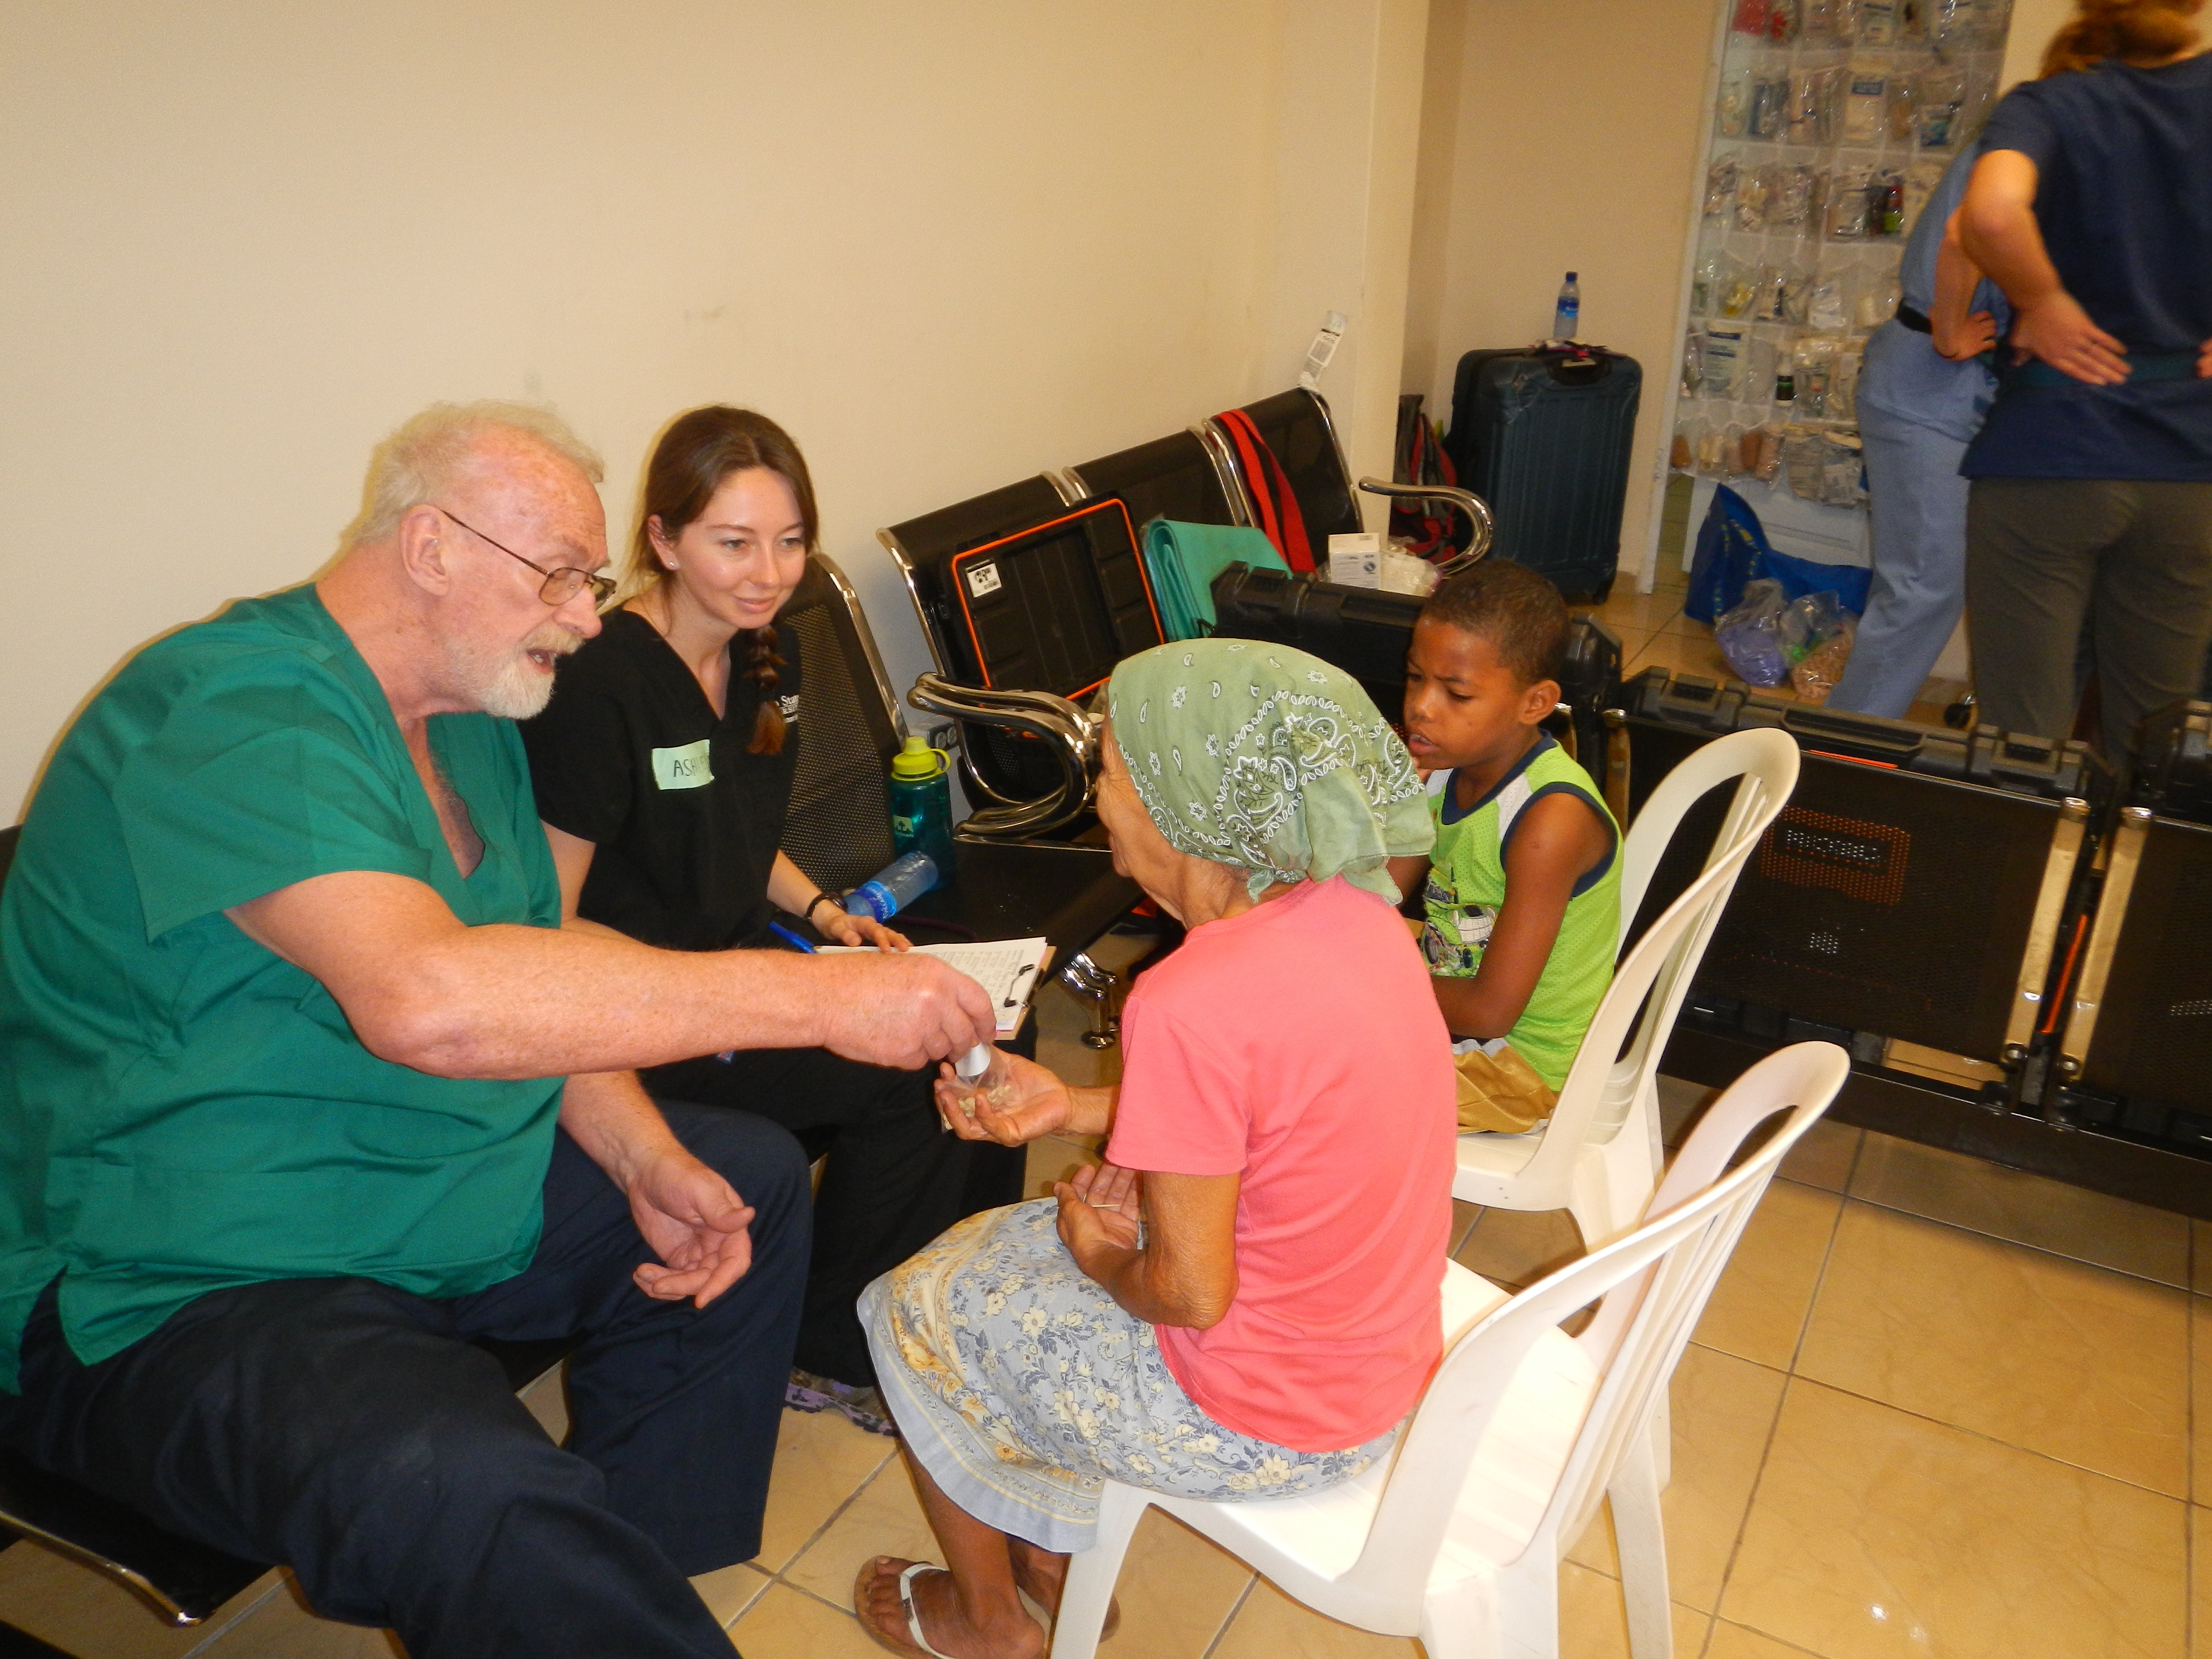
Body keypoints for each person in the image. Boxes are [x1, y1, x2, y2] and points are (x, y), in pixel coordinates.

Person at [0, 402, 998, 1659]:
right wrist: (814, 996)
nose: (588, 616)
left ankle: (627, 1582)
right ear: (431, 547)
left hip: (424, 1187)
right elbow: (430, 998)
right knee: (467, 1490)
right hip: (190, 1270)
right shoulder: (232, 714)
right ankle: (570, 1596)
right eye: (563, 578)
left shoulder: (471, 723)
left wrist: (643, 1158)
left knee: (740, 1182)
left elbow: (541, 962)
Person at [849, 639, 1454, 1659]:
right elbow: (1275, 1108)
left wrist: (1098, 1249)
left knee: (910, 1304)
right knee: (1017, 1251)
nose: (1101, 797)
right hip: (1382, 1365)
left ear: (1187, 808)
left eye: (1118, 773)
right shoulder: (1359, 917)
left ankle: (990, 1622)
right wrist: (1069, 1110)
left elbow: (1187, 1294)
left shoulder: (1186, 1000)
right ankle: (1056, 1559)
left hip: (1266, 1420)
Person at [521, 404, 1016, 1433]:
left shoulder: (766, 655)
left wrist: (829, 916)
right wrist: (765, 985)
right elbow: (548, 923)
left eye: (789, 543)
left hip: (747, 958)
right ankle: (833, 1349)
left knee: (982, 1015)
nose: (768, 572)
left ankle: (946, 1303)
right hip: (651, 1013)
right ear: (662, 540)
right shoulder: (601, 685)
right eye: (734, 543)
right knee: (909, 1068)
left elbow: (740, 833)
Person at [1956, 0, 2212, 757]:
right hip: (2186, 470)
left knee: (2023, 750)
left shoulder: (2054, 103)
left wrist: (2043, 301)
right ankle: (2124, 876)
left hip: (2052, 456)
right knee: (2152, 751)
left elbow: (1993, 215)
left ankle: (2022, 874)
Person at [1388, 562, 1621, 1135]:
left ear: (1535, 703)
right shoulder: (1445, 762)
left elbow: (1491, 1014)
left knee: (1296, 1082)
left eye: (1457, 693)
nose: (1422, 708)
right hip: (1455, 1014)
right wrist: (1392, 800)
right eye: (1416, 678)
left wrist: (1363, 979)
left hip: (1521, 1071)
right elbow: (1379, 892)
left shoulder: (1549, 821)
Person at [1825, 140, 2010, 720]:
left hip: (1976, 389)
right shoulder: (2036, 135)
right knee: (1922, 587)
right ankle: (1840, 758)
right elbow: (1967, 234)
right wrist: (1951, 331)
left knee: (1952, 585)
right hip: (1931, 385)